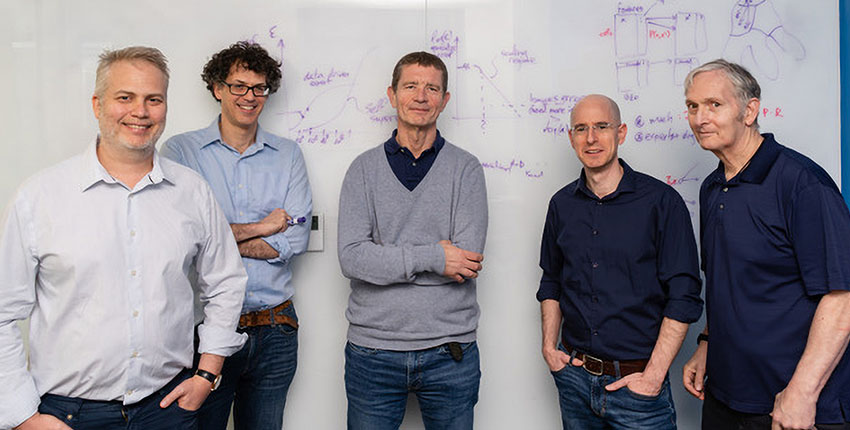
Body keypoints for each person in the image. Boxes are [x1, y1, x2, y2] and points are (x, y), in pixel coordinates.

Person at [0, 46, 248, 430]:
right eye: (125, 97)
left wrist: (207, 375)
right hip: (67, 416)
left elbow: (226, 281)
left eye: (154, 99)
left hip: (167, 408)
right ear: (98, 105)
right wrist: (22, 416)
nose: (141, 111)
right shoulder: (40, 197)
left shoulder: (192, 191)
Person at [681, 59, 850, 430]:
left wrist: (802, 393)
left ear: (750, 110)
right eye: (692, 106)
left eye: (714, 104)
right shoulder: (711, 188)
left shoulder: (802, 184)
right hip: (725, 397)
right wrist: (707, 343)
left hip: (790, 405)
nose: (699, 118)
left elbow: (842, 299)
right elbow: (728, 282)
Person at [161, 41, 311, 430]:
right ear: (217, 88)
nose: (250, 97)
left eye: (259, 88)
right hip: (205, 332)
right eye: (239, 86)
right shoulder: (181, 152)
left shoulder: (288, 154)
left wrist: (219, 237)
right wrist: (264, 227)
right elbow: (185, 239)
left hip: (276, 329)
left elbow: (294, 241)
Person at [337, 51, 488, 430]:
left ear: (445, 100)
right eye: (410, 86)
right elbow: (353, 259)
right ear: (392, 95)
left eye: (432, 88)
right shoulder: (362, 170)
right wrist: (436, 257)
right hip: (373, 351)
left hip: (450, 351)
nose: (421, 96)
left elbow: (466, 263)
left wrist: (386, 260)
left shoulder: (466, 169)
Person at [537, 94, 703, 429]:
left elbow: (683, 295)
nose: (591, 138)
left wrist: (653, 376)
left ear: (621, 132)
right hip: (574, 381)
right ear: (571, 137)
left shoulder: (661, 202)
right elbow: (551, 280)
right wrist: (548, 348)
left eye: (601, 127)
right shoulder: (561, 204)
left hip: (638, 389)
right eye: (581, 129)